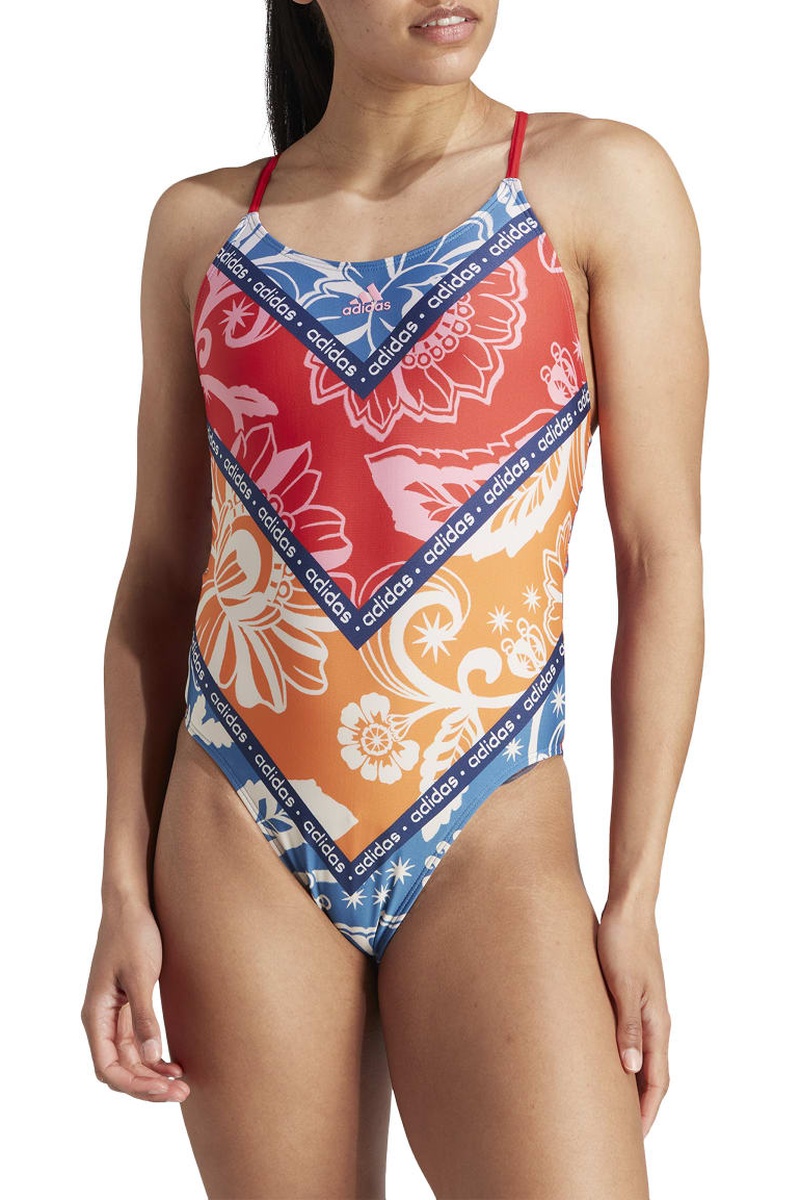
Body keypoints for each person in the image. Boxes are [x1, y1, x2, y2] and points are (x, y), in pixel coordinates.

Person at [81, 1, 708, 1196]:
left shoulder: (594, 183)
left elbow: (658, 558)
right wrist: (120, 887)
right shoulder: (203, 229)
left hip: (492, 831)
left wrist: (632, 899)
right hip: (237, 833)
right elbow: (159, 580)